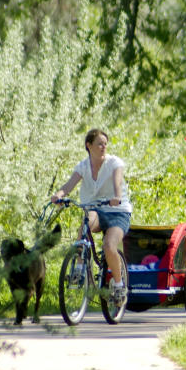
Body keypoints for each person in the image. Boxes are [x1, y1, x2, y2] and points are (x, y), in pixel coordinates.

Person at [51, 128, 132, 303]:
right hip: (95, 209)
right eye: (99, 144)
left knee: (109, 246)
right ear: (89, 146)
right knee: (85, 223)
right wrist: (59, 195)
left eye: (105, 144)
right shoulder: (83, 166)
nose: (103, 147)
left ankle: (118, 285)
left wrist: (117, 197)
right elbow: (69, 185)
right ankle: (79, 270)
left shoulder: (114, 163)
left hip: (118, 212)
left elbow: (117, 182)